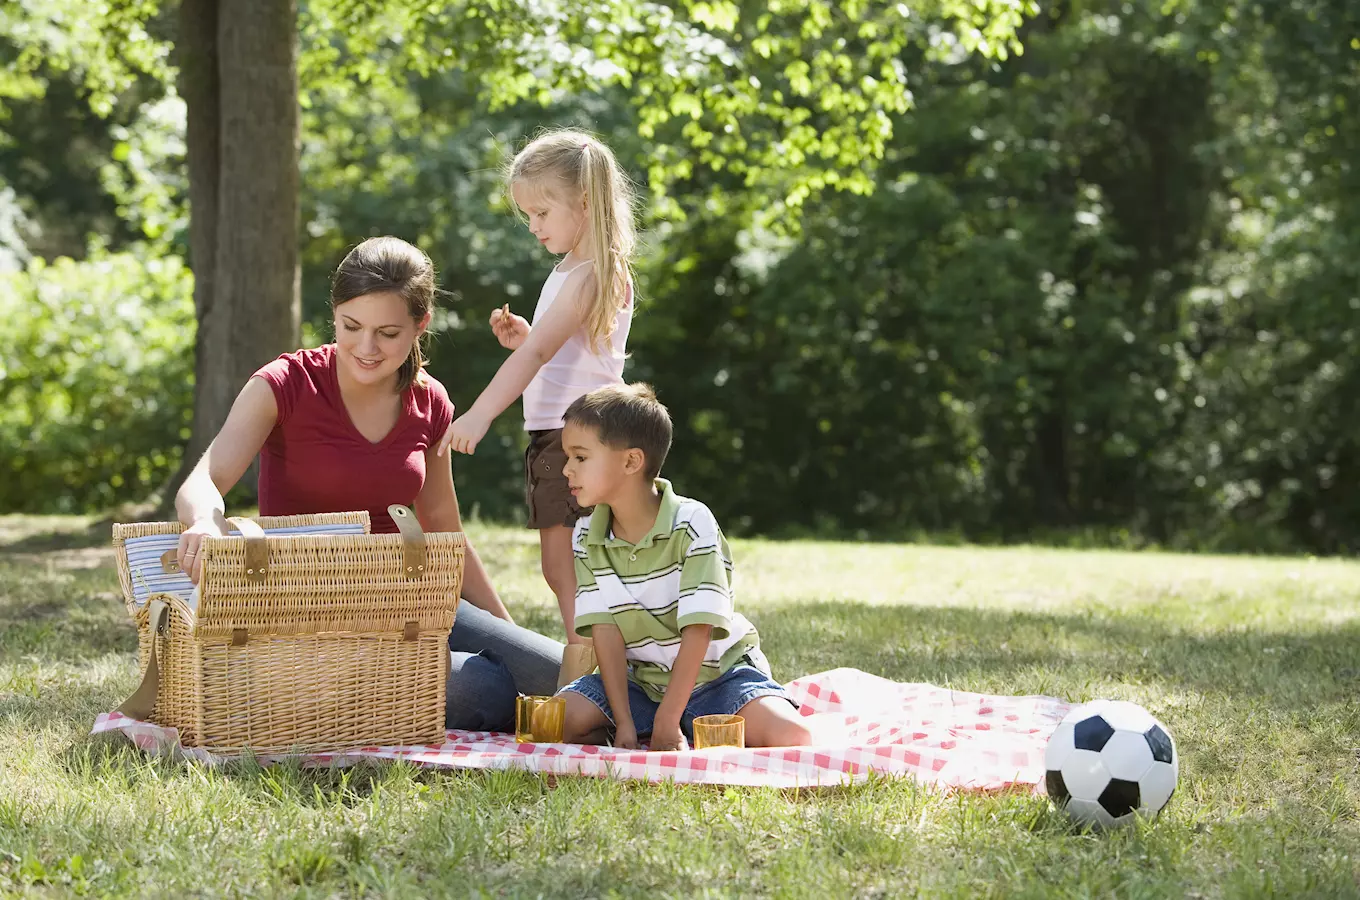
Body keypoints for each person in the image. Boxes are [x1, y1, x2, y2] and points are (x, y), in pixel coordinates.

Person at [173, 236, 563, 732]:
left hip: (409, 597)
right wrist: (206, 522)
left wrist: (505, 636)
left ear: (421, 325)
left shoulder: (431, 402)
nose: (366, 347)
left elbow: (444, 527)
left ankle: (682, 714)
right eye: (350, 326)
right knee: (478, 688)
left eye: (388, 333)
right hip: (310, 607)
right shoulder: (285, 384)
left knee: (556, 673)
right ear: (334, 313)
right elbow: (204, 479)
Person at [436, 130, 636, 675]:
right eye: (528, 214)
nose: (534, 226)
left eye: (542, 211)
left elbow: (544, 354)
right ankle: (594, 671)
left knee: (569, 564)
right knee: (571, 562)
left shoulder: (589, 273)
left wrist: (478, 414)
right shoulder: (578, 268)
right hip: (576, 435)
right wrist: (527, 338)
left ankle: (587, 677)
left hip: (575, 439)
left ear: (586, 203)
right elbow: (564, 352)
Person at [554, 384, 814, 752]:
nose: (566, 469)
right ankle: (676, 729)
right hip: (641, 685)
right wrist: (625, 722)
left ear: (631, 461)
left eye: (580, 457)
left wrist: (667, 719)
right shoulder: (586, 535)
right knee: (555, 719)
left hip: (719, 679)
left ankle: (683, 725)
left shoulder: (692, 523)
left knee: (793, 737)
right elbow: (606, 633)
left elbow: (700, 628)